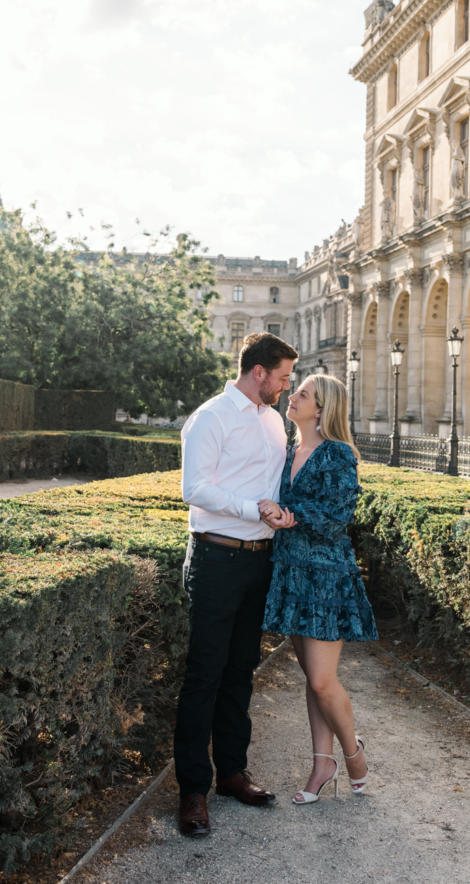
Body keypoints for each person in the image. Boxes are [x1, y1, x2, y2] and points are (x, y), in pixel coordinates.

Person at [175, 332, 299, 837]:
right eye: (284, 377)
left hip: (258, 561)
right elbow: (195, 488)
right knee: (204, 673)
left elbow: (272, 486)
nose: (288, 387)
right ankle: (192, 791)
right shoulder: (210, 417)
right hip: (216, 557)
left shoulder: (274, 421)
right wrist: (255, 510)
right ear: (260, 372)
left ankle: (231, 773)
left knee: (241, 670)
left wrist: (281, 513)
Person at [258, 374, 378, 804]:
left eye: (303, 394)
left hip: (326, 577)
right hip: (290, 573)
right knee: (312, 677)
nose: (293, 396)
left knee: (324, 681)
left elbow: (336, 516)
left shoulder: (338, 453)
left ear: (322, 409)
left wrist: (289, 513)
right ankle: (321, 764)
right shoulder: (288, 450)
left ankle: (354, 755)